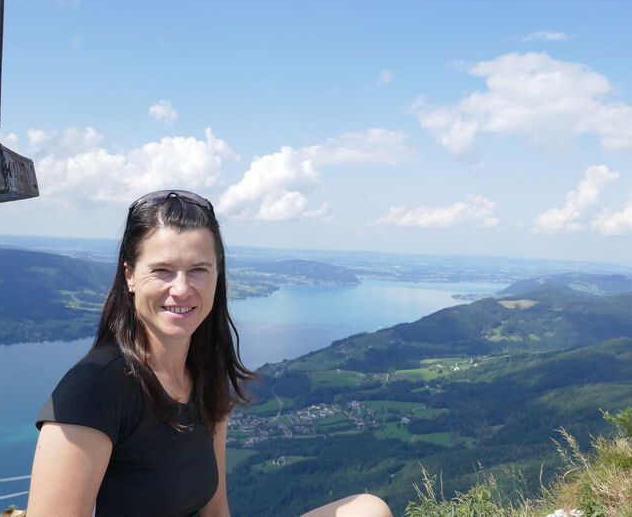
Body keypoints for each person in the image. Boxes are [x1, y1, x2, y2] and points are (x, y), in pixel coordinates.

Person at [28, 190, 392, 517]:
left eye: (198, 270)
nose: (181, 289)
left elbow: (215, 509)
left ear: (218, 276)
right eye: (162, 270)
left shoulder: (205, 374)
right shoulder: (94, 389)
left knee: (367, 510)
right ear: (130, 276)